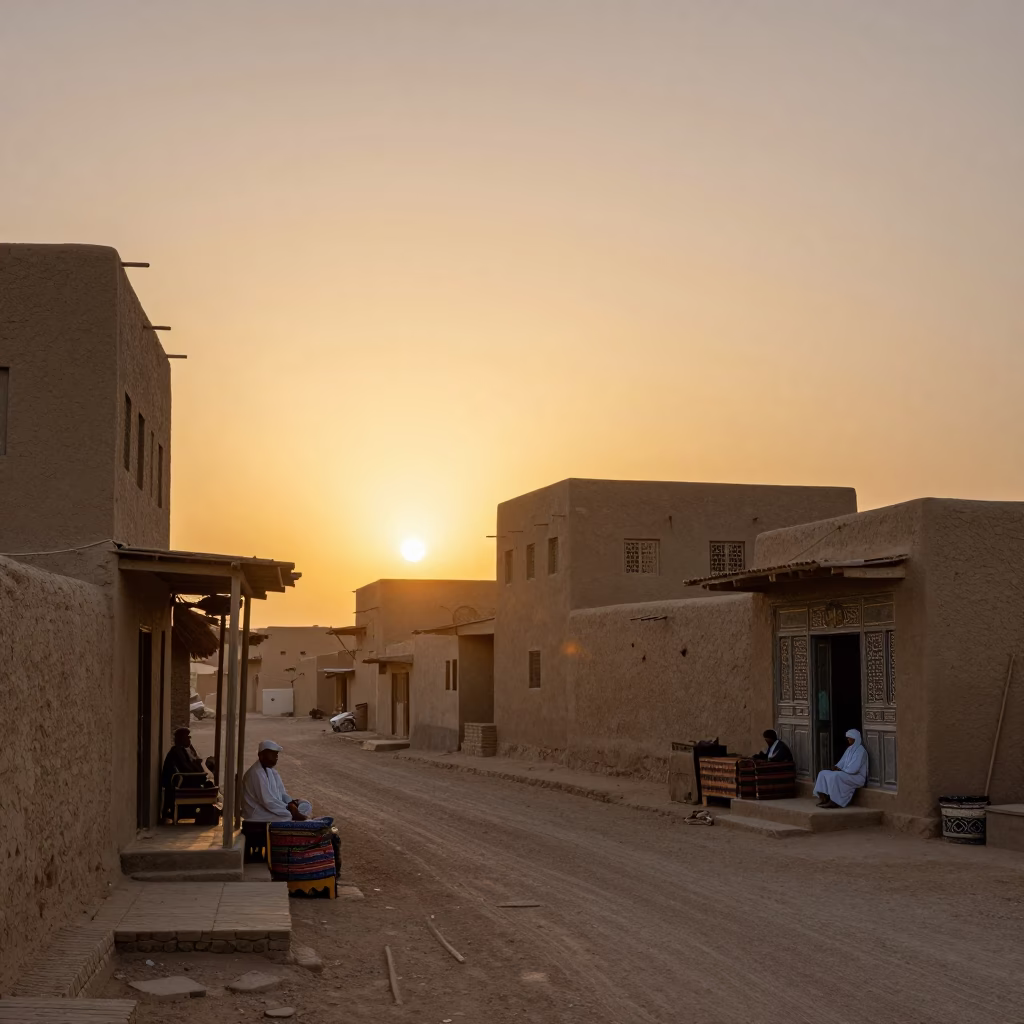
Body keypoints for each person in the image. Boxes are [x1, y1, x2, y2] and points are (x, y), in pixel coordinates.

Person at [241, 740, 341, 873]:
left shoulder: (271, 772)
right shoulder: (256, 773)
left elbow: (282, 793)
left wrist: (291, 803)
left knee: (305, 805)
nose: (276, 758)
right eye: (272, 754)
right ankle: (307, 823)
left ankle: (303, 819)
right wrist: (290, 811)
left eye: (277, 755)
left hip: (272, 809)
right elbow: (268, 801)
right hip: (258, 815)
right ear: (261, 756)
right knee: (291, 816)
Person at [160, 727, 218, 822]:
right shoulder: (177, 751)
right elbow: (186, 768)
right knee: (206, 783)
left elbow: (191, 766)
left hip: (184, 779)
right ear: (181, 739)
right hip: (180, 782)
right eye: (187, 737)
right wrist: (197, 765)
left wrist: (194, 755)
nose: (189, 739)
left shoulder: (182, 750)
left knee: (207, 782)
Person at [813, 729, 869, 808]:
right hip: (846, 772)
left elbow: (854, 768)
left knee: (836, 776)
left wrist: (842, 770)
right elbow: (842, 762)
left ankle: (834, 801)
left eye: (850, 737)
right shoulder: (849, 749)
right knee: (822, 773)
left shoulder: (861, 751)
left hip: (857, 777)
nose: (848, 739)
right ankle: (825, 798)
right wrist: (837, 767)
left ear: (855, 738)